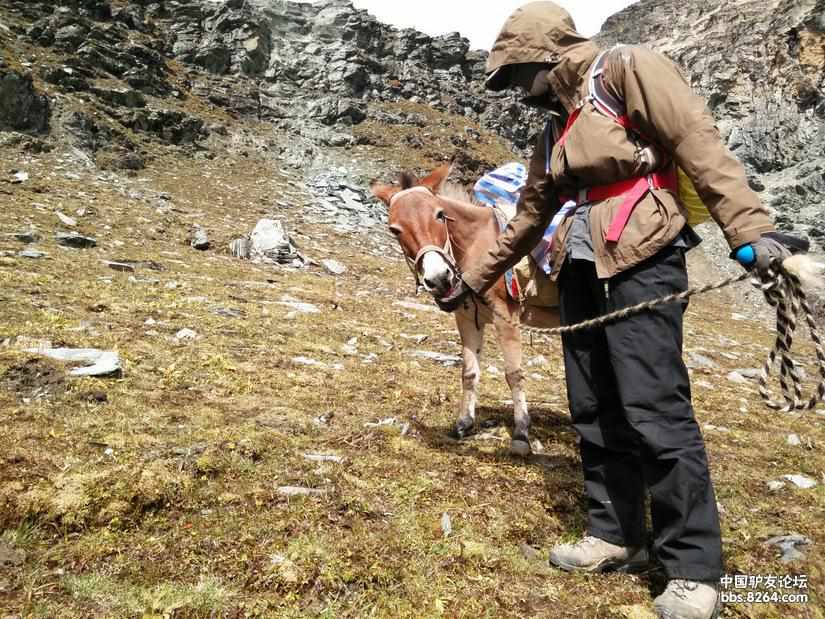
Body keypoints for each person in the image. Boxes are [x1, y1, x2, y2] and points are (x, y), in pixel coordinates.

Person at [436, 3, 808, 619]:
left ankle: (693, 568)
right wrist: (469, 281)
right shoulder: (555, 127)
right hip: (580, 262)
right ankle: (616, 535)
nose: (517, 93)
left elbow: (697, 141)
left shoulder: (629, 67)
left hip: (642, 254)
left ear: (542, 56)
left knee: (653, 407)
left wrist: (748, 231)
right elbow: (530, 215)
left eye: (516, 77)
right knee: (592, 404)